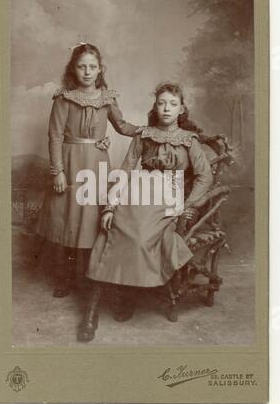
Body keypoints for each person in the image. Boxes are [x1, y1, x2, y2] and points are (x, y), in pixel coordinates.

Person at [77, 82, 213, 342]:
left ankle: (130, 294)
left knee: (138, 237)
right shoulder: (144, 134)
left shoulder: (188, 140)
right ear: (155, 107)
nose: (166, 108)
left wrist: (187, 205)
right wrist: (110, 206)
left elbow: (204, 178)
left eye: (172, 104)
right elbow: (126, 170)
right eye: (161, 103)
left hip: (168, 197)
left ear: (181, 109)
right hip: (136, 192)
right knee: (109, 230)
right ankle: (91, 313)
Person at [35, 43, 142, 297]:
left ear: (99, 69)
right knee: (70, 221)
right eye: (82, 66)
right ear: (73, 69)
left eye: (92, 67)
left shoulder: (107, 98)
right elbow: (54, 136)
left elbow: (123, 126)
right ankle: (67, 279)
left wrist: (147, 131)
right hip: (71, 163)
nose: (87, 71)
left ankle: (92, 279)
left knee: (92, 222)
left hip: (97, 165)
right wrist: (58, 170)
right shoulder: (64, 99)